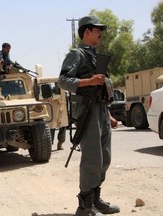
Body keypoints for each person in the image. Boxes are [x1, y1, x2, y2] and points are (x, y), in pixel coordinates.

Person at [58, 16, 120, 216]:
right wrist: (88, 81)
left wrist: (108, 114)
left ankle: (95, 199)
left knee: (105, 158)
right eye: (97, 30)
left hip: (101, 110)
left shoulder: (95, 56)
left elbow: (100, 89)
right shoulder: (76, 54)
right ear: (87, 32)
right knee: (92, 158)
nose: (100, 33)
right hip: (87, 111)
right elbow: (63, 81)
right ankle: (84, 205)